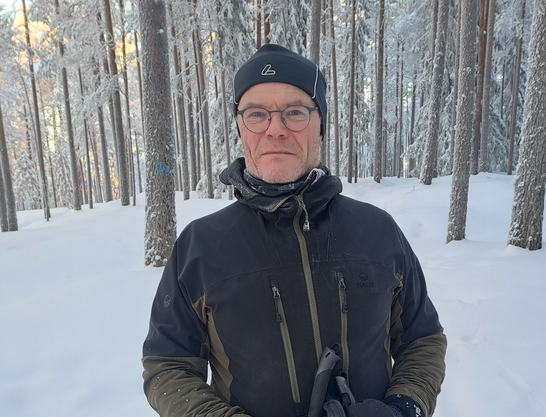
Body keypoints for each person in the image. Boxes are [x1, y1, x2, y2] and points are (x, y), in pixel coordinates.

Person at [142, 44, 446, 417]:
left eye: (295, 112)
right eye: (257, 114)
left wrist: (404, 408)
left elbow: (422, 339)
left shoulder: (378, 231)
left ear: (321, 128)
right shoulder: (201, 246)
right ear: (241, 128)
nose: (276, 129)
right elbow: (167, 365)